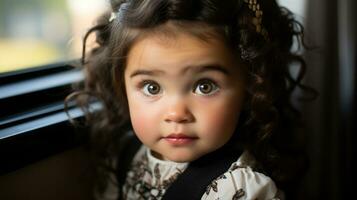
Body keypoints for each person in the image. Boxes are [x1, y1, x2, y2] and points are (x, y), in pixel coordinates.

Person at [67, 0, 316, 199]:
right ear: (122, 86)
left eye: (204, 86)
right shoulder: (124, 157)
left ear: (251, 85)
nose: (176, 113)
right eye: (152, 87)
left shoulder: (241, 191)